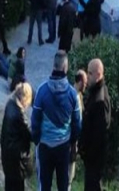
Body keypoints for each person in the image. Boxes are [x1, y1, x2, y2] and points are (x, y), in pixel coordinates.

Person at [32, 50, 83, 191]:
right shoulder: (73, 94)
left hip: (44, 147)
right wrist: (71, 142)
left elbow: (35, 121)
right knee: (63, 185)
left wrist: (37, 140)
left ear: (53, 66)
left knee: (44, 186)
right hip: (63, 147)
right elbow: (77, 125)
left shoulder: (41, 91)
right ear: (66, 68)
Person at [80, 58, 111, 191]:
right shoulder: (99, 90)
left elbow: (100, 131)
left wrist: (88, 152)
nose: (87, 76)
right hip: (93, 155)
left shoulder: (99, 99)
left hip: (94, 156)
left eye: (90, 73)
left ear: (98, 74)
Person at [2, 81, 34, 191]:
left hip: (7, 156)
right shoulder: (20, 115)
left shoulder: (10, 105)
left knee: (9, 186)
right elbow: (31, 135)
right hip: (17, 161)